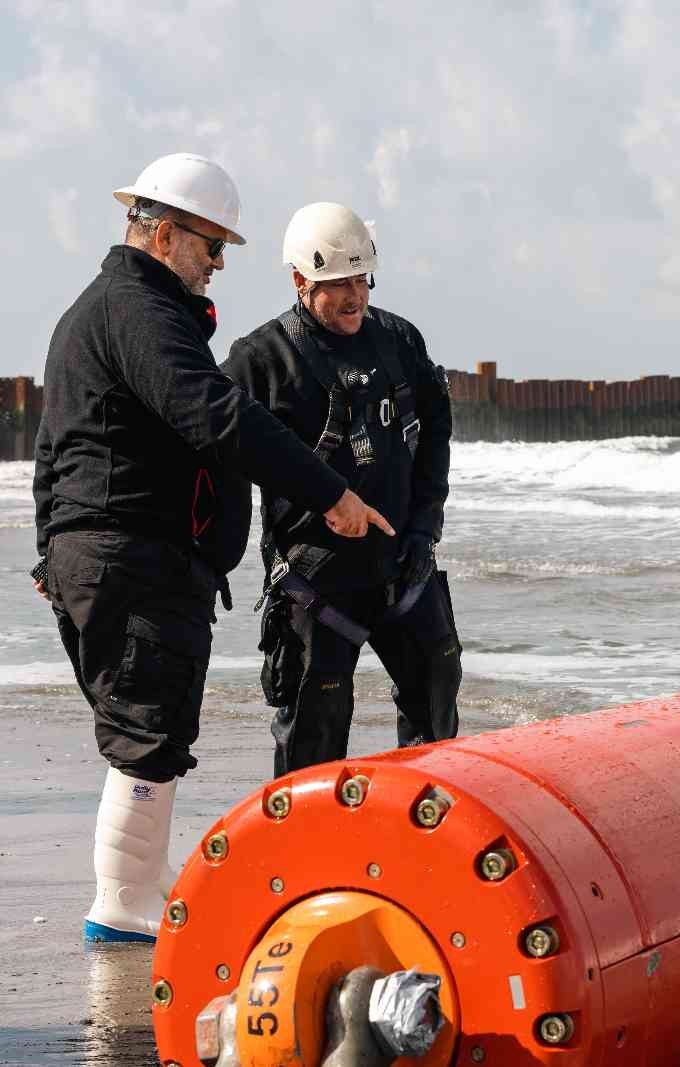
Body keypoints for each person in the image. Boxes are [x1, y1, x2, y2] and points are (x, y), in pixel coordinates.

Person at [34, 154, 394, 944]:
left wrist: (46, 553)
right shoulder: (141, 312)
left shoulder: (98, 309)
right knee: (148, 728)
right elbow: (216, 416)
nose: (219, 265)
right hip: (133, 554)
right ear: (163, 235)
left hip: (106, 553)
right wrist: (331, 491)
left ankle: (138, 877)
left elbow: (49, 446)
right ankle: (125, 903)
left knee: (145, 724)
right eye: (210, 246)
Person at [222, 201, 459, 778]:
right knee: (313, 739)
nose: (354, 296)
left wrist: (426, 526)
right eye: (336, 284)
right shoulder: (258, 361)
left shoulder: (400, 340)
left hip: (404, 566)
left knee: (436, 715)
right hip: (316, 581)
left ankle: (419, 848)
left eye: (361, 279)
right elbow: (220, 456)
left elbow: (435, 435)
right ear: (301, 281)